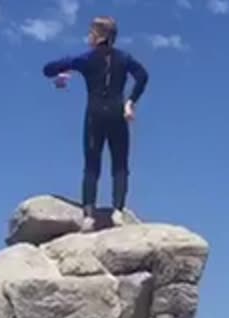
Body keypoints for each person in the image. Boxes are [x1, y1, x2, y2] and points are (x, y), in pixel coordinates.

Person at [42, 16, 149, 231]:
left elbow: (48, 69)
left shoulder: (86, 59)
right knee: (120, 165)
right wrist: (130, 102)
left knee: (92, 165)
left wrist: (64, 69)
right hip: (117, 114)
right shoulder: (124, 58)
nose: (88, 37)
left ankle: (88, 215)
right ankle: (118, 211)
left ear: (99, 36)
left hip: (95, 115)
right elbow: (143, 76)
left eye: (90, 33)